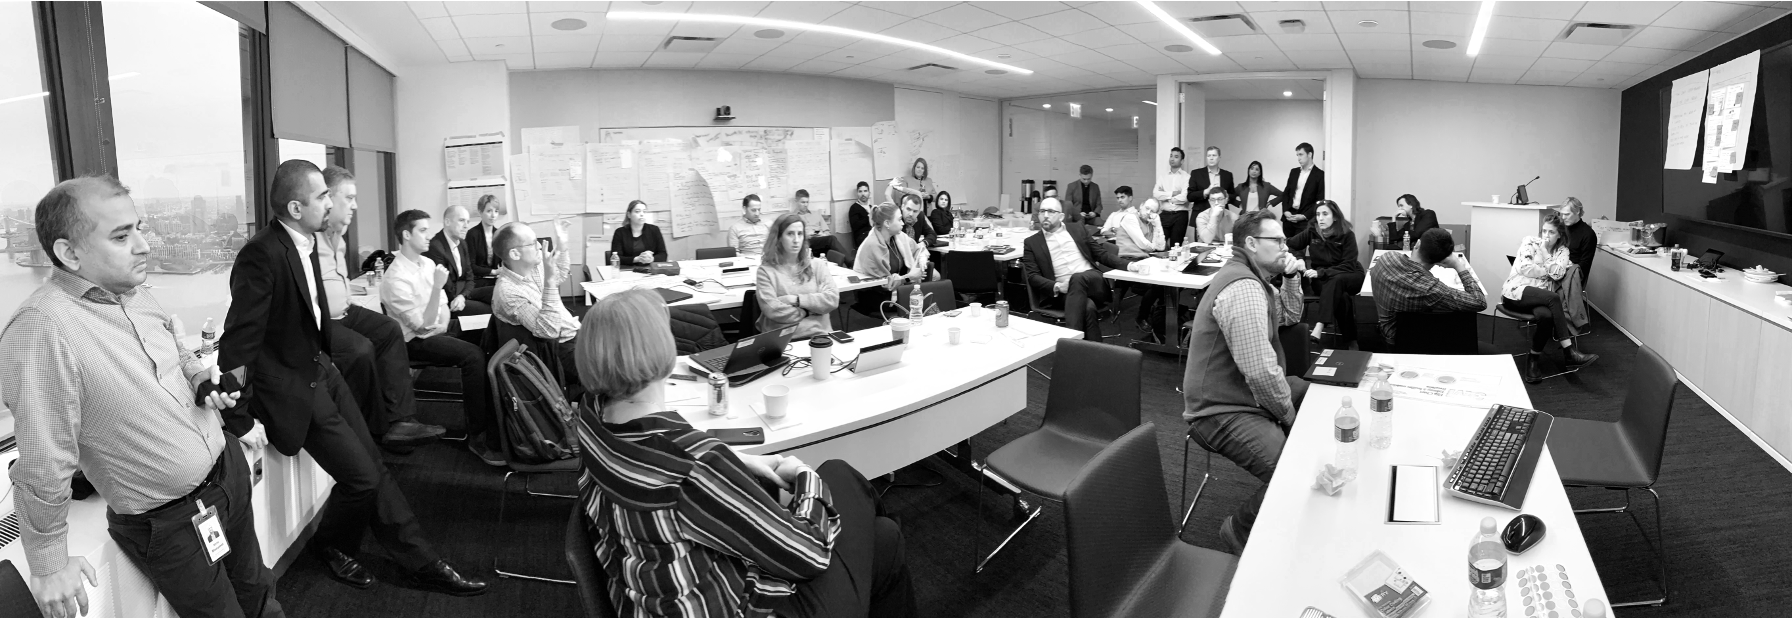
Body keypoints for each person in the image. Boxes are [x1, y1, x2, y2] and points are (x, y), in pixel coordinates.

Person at [3, 176, 284, 618]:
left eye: (139, 227)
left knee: (259, 593)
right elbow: (43, 455)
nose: (144, 245)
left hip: (226, 475)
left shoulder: (135, 294)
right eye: (121, 236)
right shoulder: (43, 329)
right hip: (170, 521)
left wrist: (198, 380)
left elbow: (176, 353)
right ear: (68, 253)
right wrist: (48, 563)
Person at [217, 160, 486, 596]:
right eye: (323, 196)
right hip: (293, 386)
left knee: (373, 466)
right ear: (295, 207)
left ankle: (423, 562)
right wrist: (240, 416)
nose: (331, 202)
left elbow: (316, 315)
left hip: (322, 369)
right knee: (360, 479)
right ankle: (332, 546)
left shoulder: (310, 242)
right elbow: (238, 341)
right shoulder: (262, 253)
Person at [573, 288, 915, 618]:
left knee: (885, 538)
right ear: (661, 351)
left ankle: (872, 531)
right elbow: (807, 554)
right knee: (838, 474)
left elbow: (669, 463)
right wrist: (803, 475)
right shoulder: (692, 464)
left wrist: (734, 460)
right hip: (730, 602)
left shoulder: (590, 418)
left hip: (644, 595)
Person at [1182, 210, 1311, 552]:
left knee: (1313, 392)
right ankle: (1239, 529)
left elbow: (1290, 316)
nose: (1286, 246)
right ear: (1252, 244)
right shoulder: (1243, 288)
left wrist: (1292, 277)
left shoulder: (1255, 280)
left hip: (1243, 394)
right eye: (1278, 241)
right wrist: (1287, 419)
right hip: (1218, 410)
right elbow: (1261, 373)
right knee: (1293, 470)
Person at [318, 165, 445, 447]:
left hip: (344, 311)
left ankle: (401, 420)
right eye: (348, 198)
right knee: (359, 350)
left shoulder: (338, 234)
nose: (355, 206)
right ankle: (375, 432)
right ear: (327, 199)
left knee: (388, 329)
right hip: (320, 321)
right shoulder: (309, 240)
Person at [383, 210, 505, 467]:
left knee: (493, 329)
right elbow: (423, 326)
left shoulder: (427, 264)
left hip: (440, 327)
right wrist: (438, 291)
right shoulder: (395, 278)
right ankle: (478, 436)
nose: (430, 236)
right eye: (423, 231)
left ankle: (500, 417)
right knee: (472, 357)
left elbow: (442, 307)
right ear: (406, 235)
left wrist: (441, 316)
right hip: (415, 342)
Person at [1020, 197, 1143, 341]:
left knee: (1077, 278)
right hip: (1063, 292)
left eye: (1051, 211)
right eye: (1042, 211)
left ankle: (1070, 343)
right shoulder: (1031, 242)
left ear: (1061, 216)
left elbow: (1101, 254)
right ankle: (1093, 353)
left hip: (1093, 282)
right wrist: (1058, 286)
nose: (1045, 215)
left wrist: (1128, 265)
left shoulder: (1077, 229)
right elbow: (1032, 276)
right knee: (1088, 307)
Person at [1501, 214, 1598, 381]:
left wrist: (1545, 255)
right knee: (1553, 298)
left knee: (1546, 316)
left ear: (1559, 234)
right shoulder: (1530, 243)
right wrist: (1548, 271)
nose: (1546, 236)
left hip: (1540, 297)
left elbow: (1559, 274)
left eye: (1551, 232)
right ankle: (1569, 352)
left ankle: (1533, 358)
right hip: (1516, 291)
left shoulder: (1563, 251)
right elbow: (1525, 269)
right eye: (1544, 231)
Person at [1371, 228, 1488, 348]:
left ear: (1417, 244)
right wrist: (1459, 265)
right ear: (1441, 262)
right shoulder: (1430, 289)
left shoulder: (1386, 258)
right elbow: (1479, 302)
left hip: (1388, 334)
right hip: (1412, 342)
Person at [492, 219, 580, 371]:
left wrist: (562, 245)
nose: (539, 246)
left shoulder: (533, 265)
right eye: (533, 243)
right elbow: (549, 331)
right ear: (515, 253)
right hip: (561, 351)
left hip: (573, 332)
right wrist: (550, 281)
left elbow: (561, 274)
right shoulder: (508, 292)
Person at [1287, 200, 1365, 344]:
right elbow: (1290, 244)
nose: (1320, 218)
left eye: (1325, 214)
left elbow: (1348, 265)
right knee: (1341, 297)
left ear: (1335, 216)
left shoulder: (1347, 234)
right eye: (1317, 214)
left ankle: (1320, 324)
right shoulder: (1312, 232)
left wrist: (1321, 273)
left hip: (1350, 274)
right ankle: (1351, 340)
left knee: (1337, 281)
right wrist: (1299, 258)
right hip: (1324, 279)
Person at [756, 213, 840, 338]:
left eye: (800, 234)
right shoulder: (766, 271)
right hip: (782, 340)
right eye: (790, 234)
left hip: (819, 336)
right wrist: (812, 309)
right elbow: (773, 310)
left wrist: (796, 300)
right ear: (778, 238)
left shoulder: (817, 265)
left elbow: (832, 300)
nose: (796, 240)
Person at [852, 202, 930, 319]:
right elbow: (885, 285)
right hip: (875, 296)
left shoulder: (898, 237)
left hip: (896, 290)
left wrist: (918, 265)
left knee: (929, 297)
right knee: (924, 301)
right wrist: (910, 276)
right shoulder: (872, 245)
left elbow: (920, 250)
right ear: (887, 223)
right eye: (899, 220)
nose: (903, 223)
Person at [425, 203, 494, 319]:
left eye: (468, 221)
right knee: (490, 311)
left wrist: (463, 295)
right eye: (462, 220)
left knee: (498, 293)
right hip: (449, 300)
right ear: (447, 222)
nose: (466, 226)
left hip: (462, 293)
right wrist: (461, 296)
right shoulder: (435, 247)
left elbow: (470, 277)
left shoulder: (462, 243)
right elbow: (446, 288)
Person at [1281, 142, 1325, 238]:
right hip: (1289, 217)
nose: (1298, 158)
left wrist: (1304, 216)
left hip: (1304, 220)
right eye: (1297, 155)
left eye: (1301, 154)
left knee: (1298, 252)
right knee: (1286, 249)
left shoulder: (1320, 175)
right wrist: (1285, 211)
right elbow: (1286, 194)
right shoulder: (1294, 172)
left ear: (1310, 154)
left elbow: (1319, 200)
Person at [1152, 147, 1193, 246]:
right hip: (1165, 214)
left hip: (1180, 215)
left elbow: (1185, 197)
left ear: (1182, 161)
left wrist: (1166, 197)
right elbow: (1156, 194)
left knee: (1175, 246)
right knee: (1159, 245)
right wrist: (1172, 194)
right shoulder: (1163, 177)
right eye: (1171, 156)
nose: (1172, 159)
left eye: (1176, 157)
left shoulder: (1186, 177)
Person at [609, 199, 667, 266]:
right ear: (629, 215)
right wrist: (638, 259)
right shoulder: (620, 232)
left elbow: (663, 254)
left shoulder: (654, 230)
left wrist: (651, 259)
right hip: (627, 271)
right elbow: (616, 258)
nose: (642, 214)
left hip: (650, 270)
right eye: (637, 211)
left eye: (644, 211)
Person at [1109, 189, 1163, 259]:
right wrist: (1153, 247)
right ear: (1141, 206)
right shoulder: (1130, 218)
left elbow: (1160, 247)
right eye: (1147, 208)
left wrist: (1157, 224)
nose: (1148, 212)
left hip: (1143, 258)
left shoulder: (1150, 223)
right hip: (1127, 258)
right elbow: (1143, 244)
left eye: (1152, 211)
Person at [1187, 146, 1236, 222]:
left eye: (1214, 155)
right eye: (1209, 156)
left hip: (1222, 216)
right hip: (1202, 216)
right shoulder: (1196, 173)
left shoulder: (1227, 175)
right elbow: (1189, 196)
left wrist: (1225, 195)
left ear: (1219, 158)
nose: (1211, 158)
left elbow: (1233, 196)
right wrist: (1205, 192)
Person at [466, 194, 504, 288]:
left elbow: (503, 261)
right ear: (480, 211)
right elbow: (471, 266)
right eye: (489, 211)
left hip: (496, 280)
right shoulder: (472, 234)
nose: (493, 215)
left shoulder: (499, 234)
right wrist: (494, 272)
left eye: (496, 211)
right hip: (478, 281)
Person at [1558, 197, 1596, 286]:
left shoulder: (1588, 234)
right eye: (1562, 214)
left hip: (1571, 276)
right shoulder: (1561, 229)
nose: (1563, 218)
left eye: (1567, 214)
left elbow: (1584, 266)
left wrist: (1565, 268)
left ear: (1577, 211)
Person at [792, 189, 838, 258]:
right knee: (832, 239)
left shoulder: (816, 214)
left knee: (832, 244)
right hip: (807, 241)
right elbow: (795, 237)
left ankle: (848, 264)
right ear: (796, 201)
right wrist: (807, 234)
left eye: (807, 202)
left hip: (821, 239)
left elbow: (827, 231)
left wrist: (822, 234)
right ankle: (851, 263)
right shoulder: (793, 217)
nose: (805, 205)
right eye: (803, 202)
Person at [848, 181, 874, 250]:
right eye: (860, 191)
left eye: (865, 191)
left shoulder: (872, 207)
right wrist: (869, 216)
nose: (863, 194)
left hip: (873, 235)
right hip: (861, 238)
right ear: (857, 193)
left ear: (869, 193)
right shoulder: (854, 208)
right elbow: (855, 226)